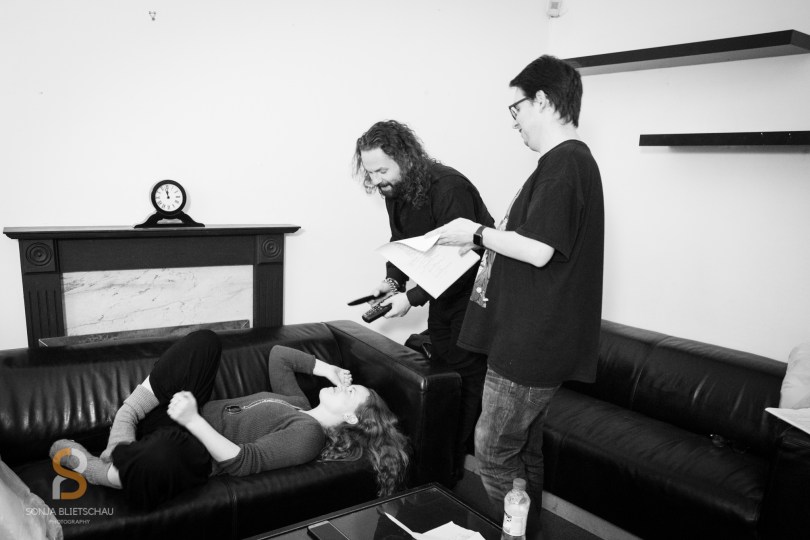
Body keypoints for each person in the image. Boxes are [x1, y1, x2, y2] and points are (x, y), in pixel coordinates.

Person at [432, 55, 605, 531]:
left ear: (542, 101)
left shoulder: (565, 164)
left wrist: (476, 232)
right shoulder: (565, 164)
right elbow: (536, 243)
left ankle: (511, 531)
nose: (515, 122)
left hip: (531, 343)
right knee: (524, 450)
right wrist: (482, 240)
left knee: (491, 450)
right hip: (535, 338)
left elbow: (539, 250)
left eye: (517, 109)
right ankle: (527, 531)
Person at [50, 330, 409, 509]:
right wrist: (325, 367)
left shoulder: (309, 436)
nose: (343, 386)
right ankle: (126, 422)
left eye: (350, 391)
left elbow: (240, 462)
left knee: (161, 456)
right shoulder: (297, 401)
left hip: (191, 449)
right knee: (205, 343)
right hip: (177, 415)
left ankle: (101, 470)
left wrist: (193, 420)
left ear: (350, 417)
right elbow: (279, 356)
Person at [353, 120, 495, 482]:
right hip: (443, 295)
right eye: (370, 172)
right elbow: (402, 244)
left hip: (476, 296)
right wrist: (392, 282)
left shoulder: (449, 187)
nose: (377, 180)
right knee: (444, 377)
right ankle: (440, 466)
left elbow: (464, 258)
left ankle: (451, 471)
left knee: (466, 381)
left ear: (405, 157)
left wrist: (412, 298)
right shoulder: (394, 189)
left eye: (382, 170)